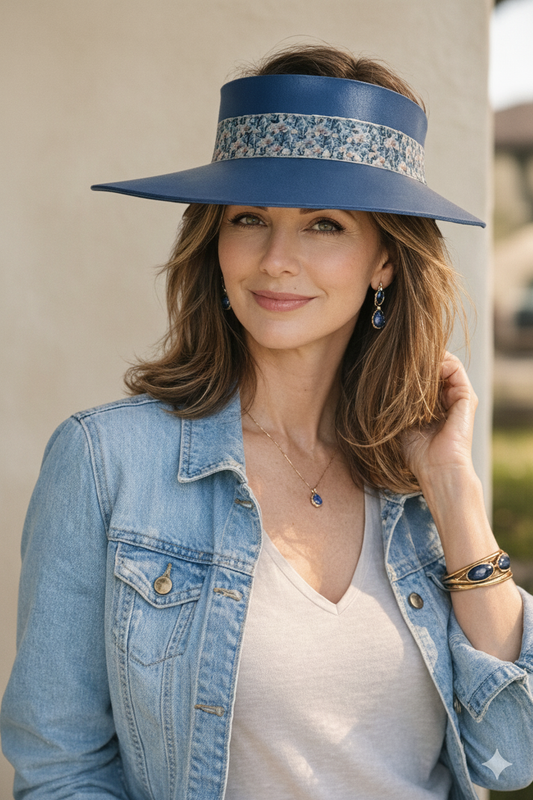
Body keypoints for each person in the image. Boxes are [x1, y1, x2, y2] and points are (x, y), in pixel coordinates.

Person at [2, 44, 533, 800]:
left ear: (384, 260)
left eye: (323, 224)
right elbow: (61, 772)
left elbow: (513, 751)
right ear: (213, 241)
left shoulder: (416, 482)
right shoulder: (105, 461)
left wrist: (452, 493)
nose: (276, 259)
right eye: (249, 218)